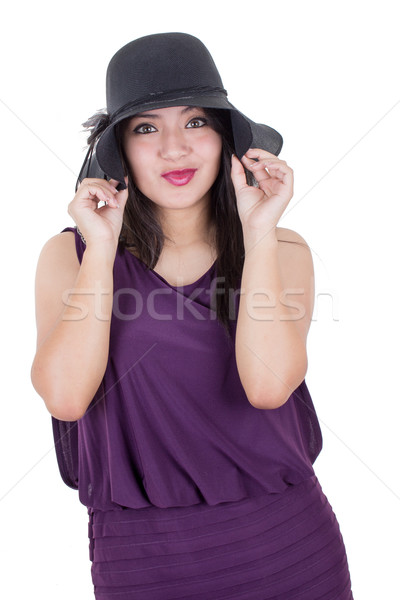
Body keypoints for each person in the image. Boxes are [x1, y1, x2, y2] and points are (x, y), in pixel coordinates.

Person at [31, 32, 353, 599]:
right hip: (139, 560)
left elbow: (269, 386)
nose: (174, 149)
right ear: (120, 151)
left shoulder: (282, 250)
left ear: (226, 138)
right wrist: (102, 252)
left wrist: (258, 231)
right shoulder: (72, 255)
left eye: (196, 122)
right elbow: (65, 398)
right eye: (147, 128)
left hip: (286, 550)